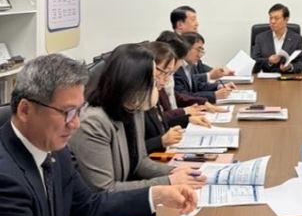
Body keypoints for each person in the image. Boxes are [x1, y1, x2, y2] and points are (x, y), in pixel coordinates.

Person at [0, 54, 197, 216]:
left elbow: (88, 207)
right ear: (25, 110)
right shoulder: (5, 177)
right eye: (66, 113)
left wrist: (156, 195)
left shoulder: (54, 149)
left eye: (78, 111)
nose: (75, 123)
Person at [69, 43, 206, 192]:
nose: (158, 84)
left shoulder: (133, 108)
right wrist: (168, 181)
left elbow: (140, 163)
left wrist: (174, 171)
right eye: (152, 79)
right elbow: (105, 190)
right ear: (132, 82)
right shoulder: (93, 122)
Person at [143, 41, 211, 154]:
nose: (166, 80)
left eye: (169, 74)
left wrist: (187, 119)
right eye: (164, 72)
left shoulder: (155, 90)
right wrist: (160, 141)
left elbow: (161, 122)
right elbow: (131, 152)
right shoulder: (136, 102)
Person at [170, 5, 230, 80]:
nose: (197, 24)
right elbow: (183, 80)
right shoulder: (171, 48)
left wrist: (220, 72)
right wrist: (209, 76)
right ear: (180, 25)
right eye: (193, 20)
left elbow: (199, 67)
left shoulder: (190, 42)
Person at [174, 32, 235, 103]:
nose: (200, 55)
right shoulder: (176, 69)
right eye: (198, 50)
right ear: (186, 48)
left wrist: (218, 86)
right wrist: (214, 95)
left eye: (201, 51)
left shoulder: (190, 65)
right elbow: (185, 96)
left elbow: (198, 86)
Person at [252, 3, 302, 74]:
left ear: (286, 20)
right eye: (271, 18)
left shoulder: (297, 39)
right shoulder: (260, 38)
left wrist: (290, 67)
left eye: (276, 18)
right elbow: (254, 61)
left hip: (289, 78)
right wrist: (269, 61)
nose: (272, 21)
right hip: (267, 78)